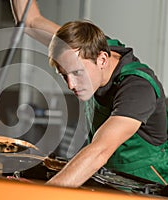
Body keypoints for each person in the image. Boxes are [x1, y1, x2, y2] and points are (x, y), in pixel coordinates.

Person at [10, 0, 168, 188]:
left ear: (102, 59)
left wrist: (45, 195)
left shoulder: (137, 89)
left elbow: (100, 150)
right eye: (64, 75)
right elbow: (30, 21)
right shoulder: (83, 49)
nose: (71, 84)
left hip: (146, 187)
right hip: (106, 178)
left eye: (77, 73)